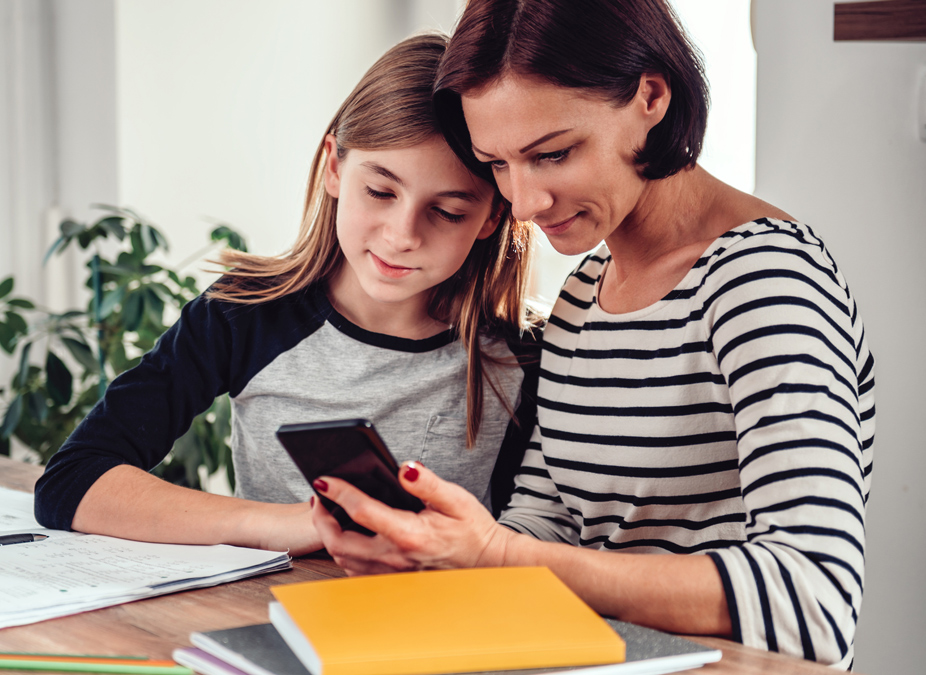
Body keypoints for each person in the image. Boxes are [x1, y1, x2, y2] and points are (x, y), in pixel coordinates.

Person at [309, 0, 875, 669]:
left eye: (552, 154)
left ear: (651, 97)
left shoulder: (764, 281)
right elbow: (544, 522)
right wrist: (433, 554)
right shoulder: (584, 295)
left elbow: (814, 598)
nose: (523, 203)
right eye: (497, 164)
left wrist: (497, 555)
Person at [34, 33, 541, 558]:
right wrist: (290, 524)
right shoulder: (242, 316)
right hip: (270, 604)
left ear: (492, 216)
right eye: (380, 191)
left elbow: (535, 539)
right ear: (335, 168)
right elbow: (72, 481)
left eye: (449, 212)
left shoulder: (525, 353)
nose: (402, 235)